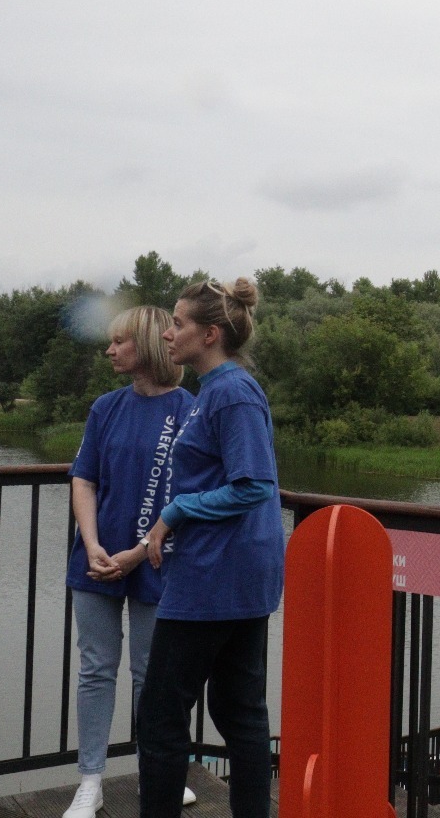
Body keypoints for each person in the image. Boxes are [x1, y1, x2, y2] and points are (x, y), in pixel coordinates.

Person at [137, 278, 285, 818]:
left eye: (177, 324)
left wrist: (175, 512)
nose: (167, 333)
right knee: (237, 708)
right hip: (233, 572)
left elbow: (254, 485)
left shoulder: (232, 393)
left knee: (161, 712)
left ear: (210, 334)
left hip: (216, 575)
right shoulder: (218, 390)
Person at [62, 306, 196, 818]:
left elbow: (193, 495)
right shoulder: (106, 407)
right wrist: (92, 542)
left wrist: (139, 551)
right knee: (96, 669)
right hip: (96, 561)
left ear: (147, 344)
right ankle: (90, 783)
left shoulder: (189, 410)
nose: (109, 350)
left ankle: (157, 777)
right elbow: (84, 477)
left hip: (159, 560)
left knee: (152, 674)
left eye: (119, 341)